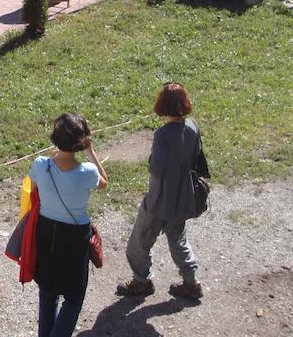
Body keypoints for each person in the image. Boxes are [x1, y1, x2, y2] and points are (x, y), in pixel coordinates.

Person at [117, 83, 205, 302]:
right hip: (183, 197)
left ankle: (142, 281)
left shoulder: (162, 135)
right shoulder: (193, 126)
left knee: (139, 243)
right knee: (178, 240)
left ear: (163, 105)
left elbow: (156, 168)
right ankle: (191, 282)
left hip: (159, 200)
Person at [29, 113, 108, 337]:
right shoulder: (87, 173)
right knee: (73, 297)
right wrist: (91, 152)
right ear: (82, 141)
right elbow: (104, 182)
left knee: (47, 292)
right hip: (75, 238)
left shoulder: (41, 165)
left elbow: (33, 188)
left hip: (46, 232)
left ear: (55, 138)